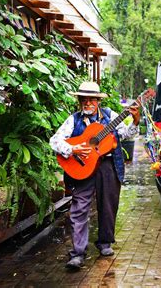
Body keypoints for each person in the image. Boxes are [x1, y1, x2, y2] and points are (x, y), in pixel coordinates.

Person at [50, 81, 140, 269]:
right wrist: (73, 149)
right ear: (80, 100)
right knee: (79, 208)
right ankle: (78, 253)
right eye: (84, 99)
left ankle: (105, 243)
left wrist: (136, 121)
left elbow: (126, 134)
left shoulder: (110, 116)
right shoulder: (73, 119)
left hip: (107, 165)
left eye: (92, 99)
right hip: (82, 168)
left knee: (108, 204)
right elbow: (55, 141)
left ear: (98, 101)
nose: (88, 103)